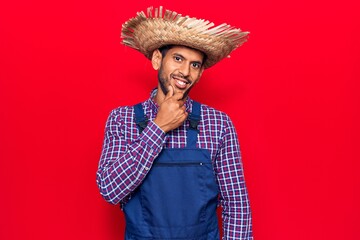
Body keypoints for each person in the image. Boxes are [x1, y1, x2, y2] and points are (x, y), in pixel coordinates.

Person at [97, 6, 253, 240]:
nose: (185, 72)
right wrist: (158, 128)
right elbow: (110, 190)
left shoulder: (218, 124)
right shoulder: (123, 120)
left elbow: (236, 204)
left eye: (195, 64)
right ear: (158, 59)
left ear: (200, 73)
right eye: (178, 59)